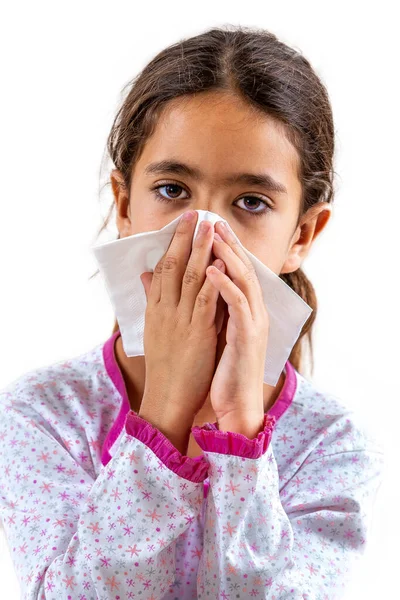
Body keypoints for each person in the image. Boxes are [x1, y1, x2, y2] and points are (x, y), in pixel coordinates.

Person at [0, 25, 384, 599]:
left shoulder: (332, 445)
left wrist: (242, 435)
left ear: (302, 233)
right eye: (173, 190)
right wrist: (165, 413)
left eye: (251, 202)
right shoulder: (44, 417)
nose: (203, 233)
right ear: (125, 204)